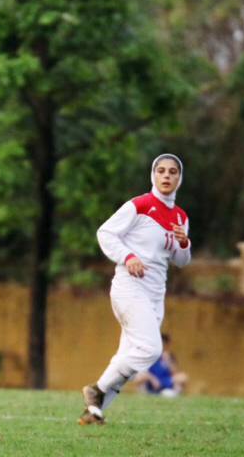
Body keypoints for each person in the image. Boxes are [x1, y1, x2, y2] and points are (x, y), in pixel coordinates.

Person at [79, 154, 191, 425]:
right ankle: (96, 390)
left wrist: (184, 243)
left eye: (173, 171)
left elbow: (181, 260)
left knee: (130, 355)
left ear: (179, 178)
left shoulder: (180, 216)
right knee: (151, 350)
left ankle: (94, 411)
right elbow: (105, 233)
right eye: (161, 170)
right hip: (130, 288)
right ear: (153, 175)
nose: (166, 176)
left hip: (155, 294)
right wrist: (128, 257)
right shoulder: (140, 205)